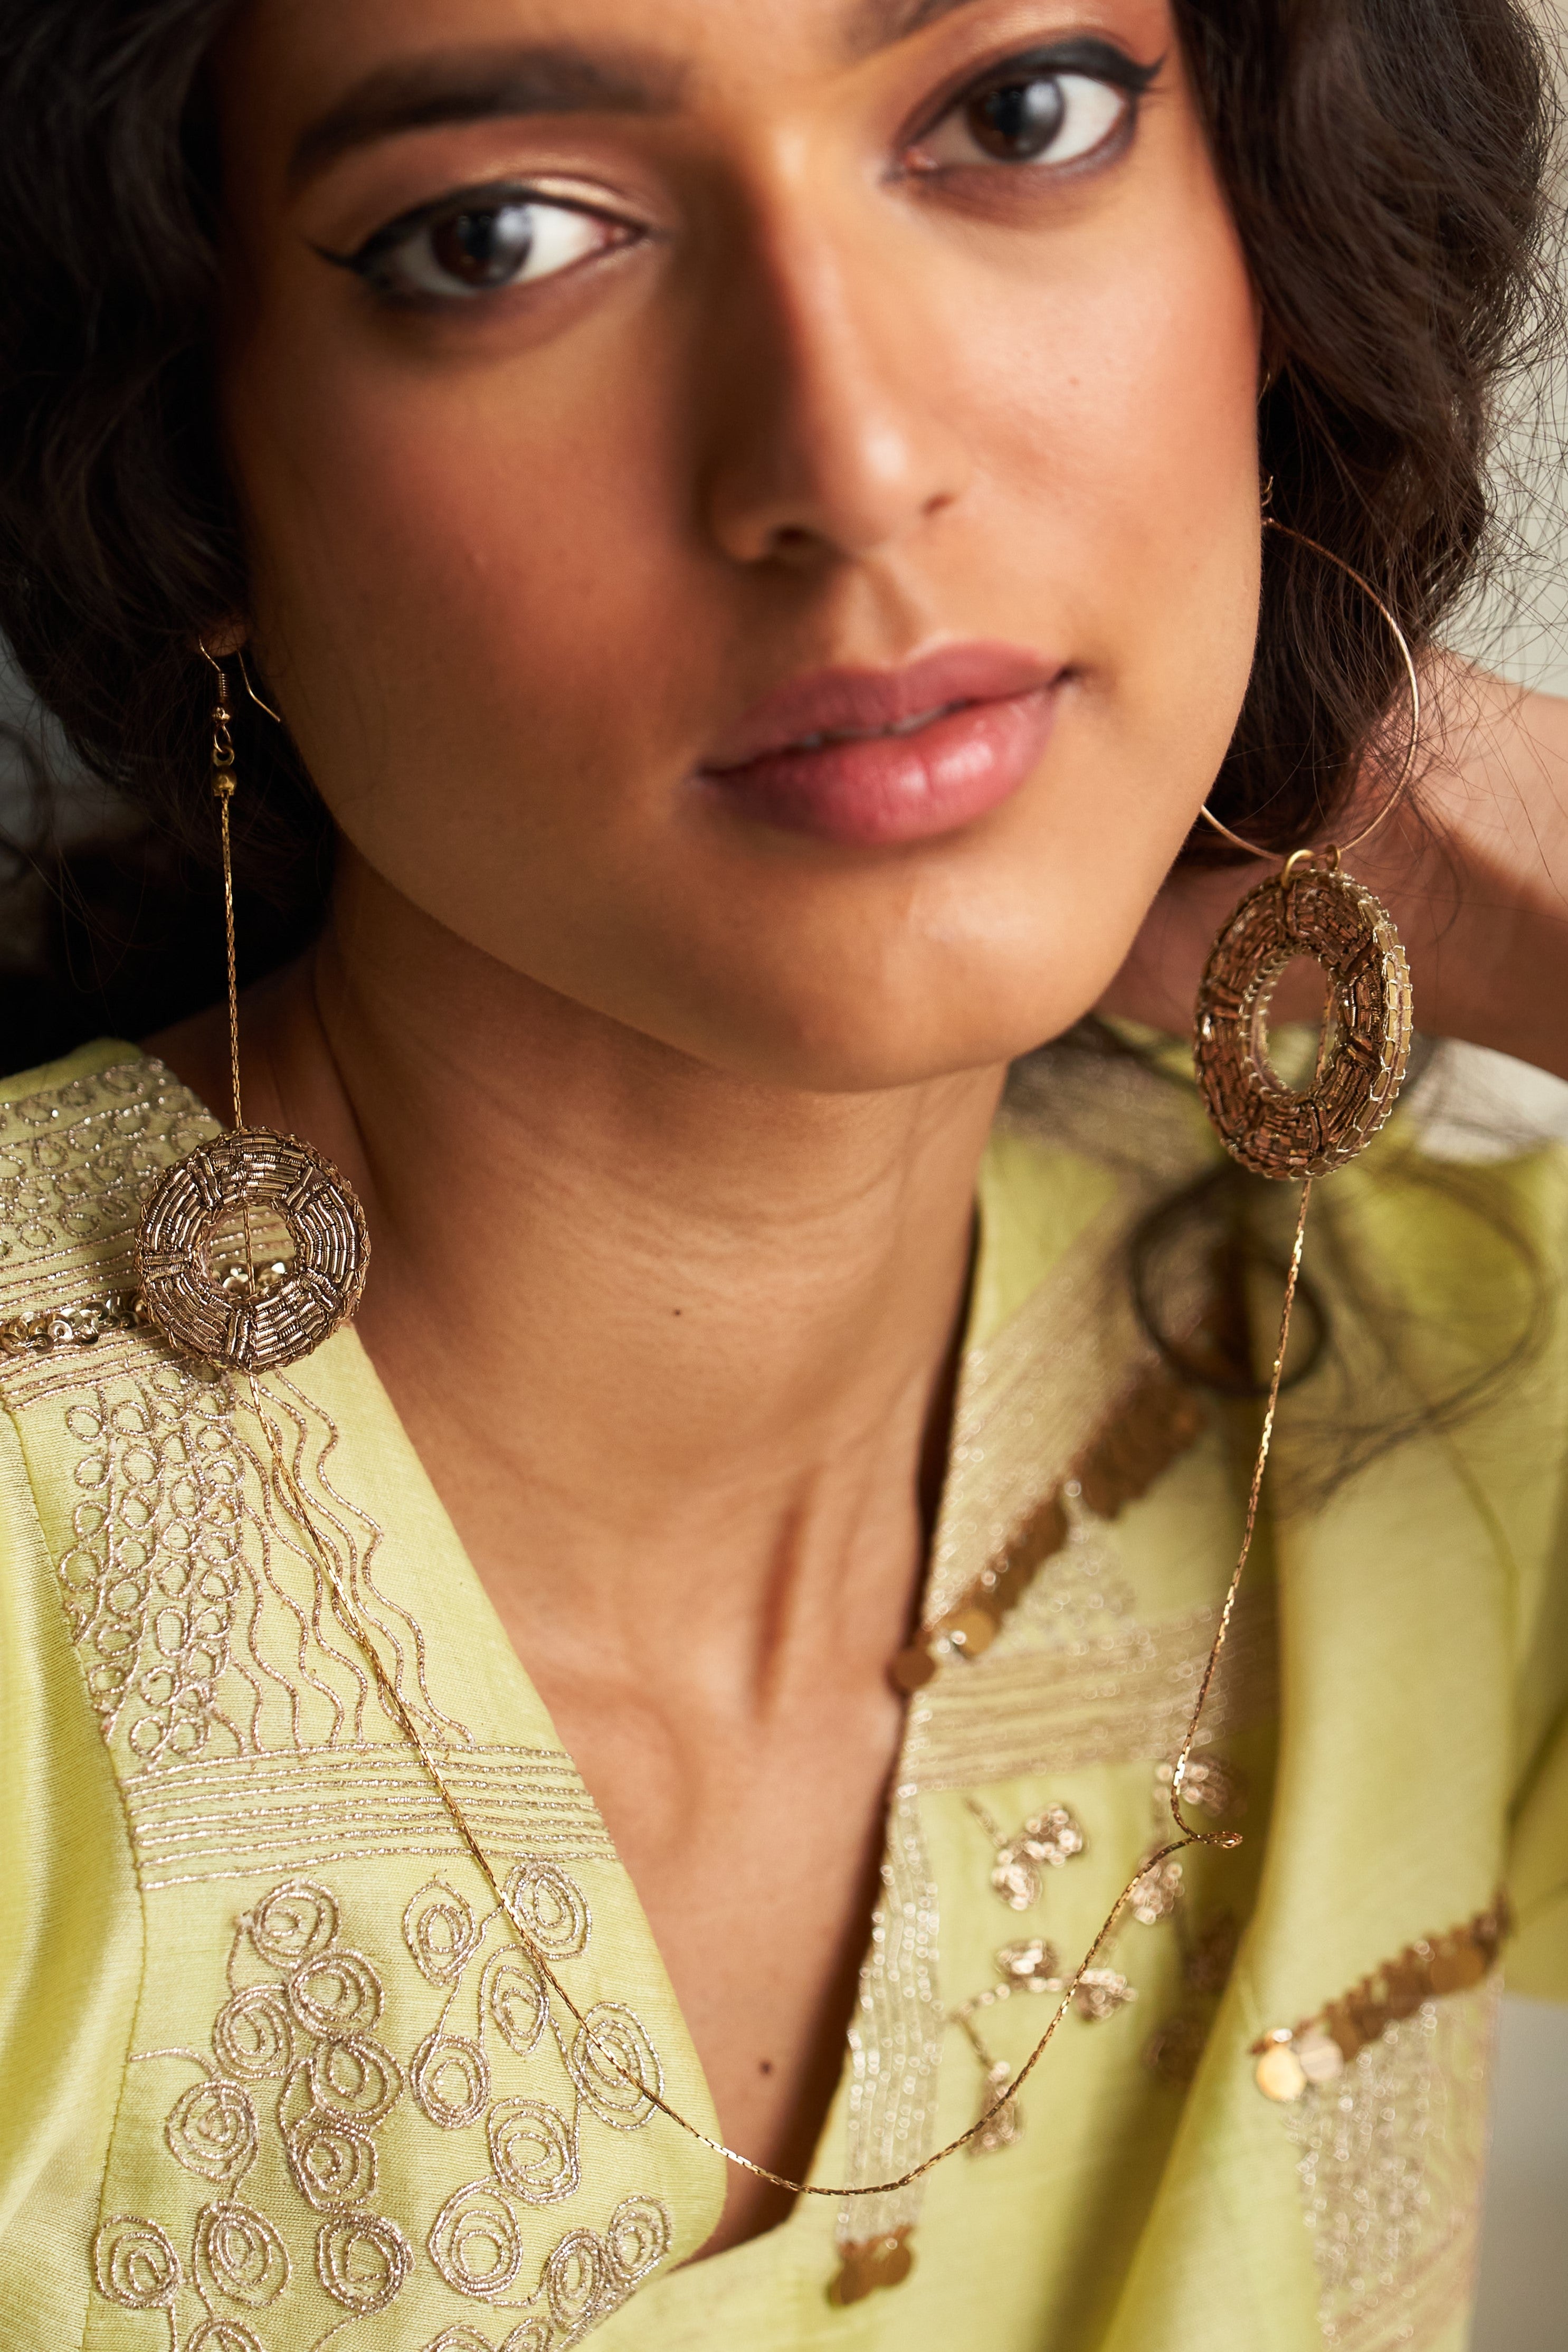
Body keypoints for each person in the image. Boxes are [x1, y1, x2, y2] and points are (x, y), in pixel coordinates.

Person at [0, 2, 1563, 2346]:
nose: (850, 460)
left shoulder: (1414, 1392)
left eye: (1016, 115)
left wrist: (1507, 844)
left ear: (1272, 239)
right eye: (495, 237)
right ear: (186, 460)